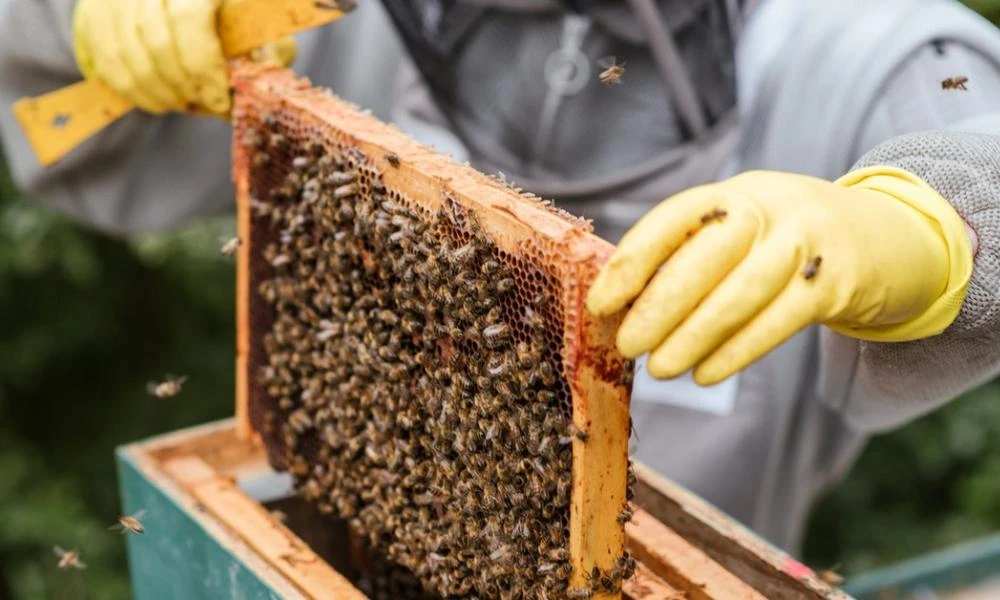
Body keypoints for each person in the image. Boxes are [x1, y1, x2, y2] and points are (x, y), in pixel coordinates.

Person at [2, 0, 1000, 553]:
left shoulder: (864, 47)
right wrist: (83, 18)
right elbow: (56, 99)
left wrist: (917, 225)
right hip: (342, 549)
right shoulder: (333, 14)